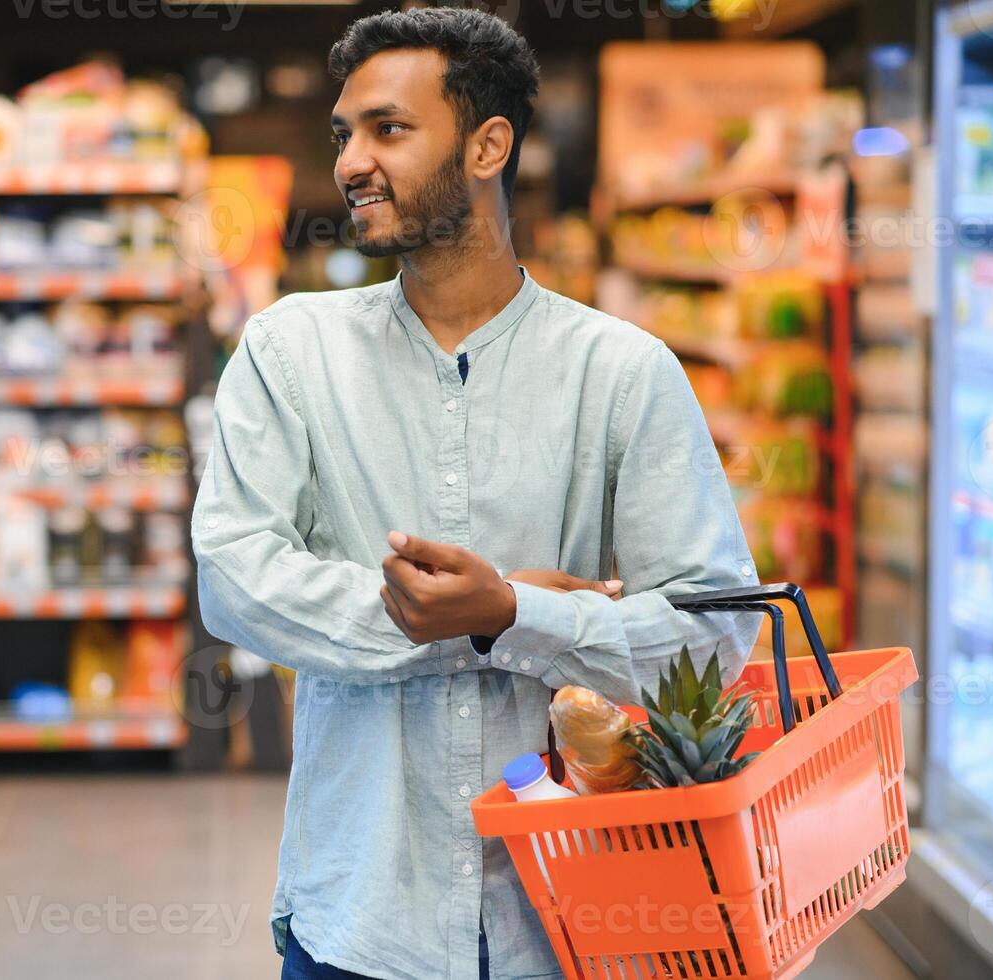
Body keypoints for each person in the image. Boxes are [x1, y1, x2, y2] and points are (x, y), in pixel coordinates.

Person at [191, 8, 761, 979]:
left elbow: (716, 631)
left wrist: (513, 611)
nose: (352, 162)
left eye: (389, 128)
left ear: (488, 143)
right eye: (344, 134)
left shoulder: (623, 372)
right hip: (362, 913)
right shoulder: (291, 353)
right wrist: (482, 621)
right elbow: (236, 580)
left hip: (580, 917)